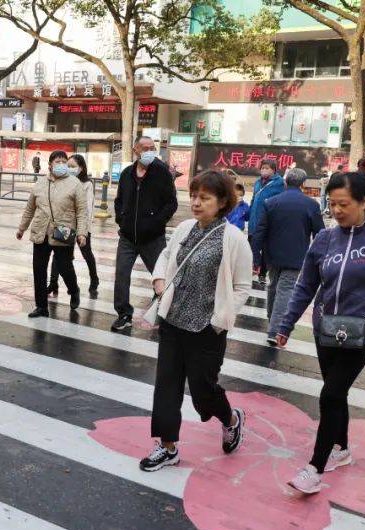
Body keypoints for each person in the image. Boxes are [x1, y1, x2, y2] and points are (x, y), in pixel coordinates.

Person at [275, 172, 365, 494]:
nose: (337, 211)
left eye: (345, 204)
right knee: (336, 393)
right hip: (325, 330)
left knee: (330, 395)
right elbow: (306, 286)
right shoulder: (324, 239)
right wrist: (285, 324)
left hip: (362, 334)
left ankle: (315, 467)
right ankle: (343, 448)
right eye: (332, 204)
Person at [139, 170, 253, 471]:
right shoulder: (186, 228)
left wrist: (220, 319)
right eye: (194, 196)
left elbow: (243, 286)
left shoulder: (234, 239)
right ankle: (167, 446)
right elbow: (165, 256)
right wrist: (159, 280)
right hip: (173, 322)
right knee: (166, 386)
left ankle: (231, 419)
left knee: (203, 393)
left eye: (204, 198)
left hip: (206, 329)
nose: (196, 203)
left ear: (223, 202)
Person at [249, 168, 325, 345]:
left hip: (272, 255)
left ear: (285, 182)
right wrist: (319, 258)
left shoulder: (271, 202)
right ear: (303, 184)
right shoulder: (311, 205)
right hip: (296, 255)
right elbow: (320, 234)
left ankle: (272, 320)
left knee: (273, 286)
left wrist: (255, 257)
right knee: (285, 290)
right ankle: (275, 330)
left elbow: (260, 232)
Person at [111, 136, 178, 332]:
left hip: (153, 238)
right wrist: (120, 219)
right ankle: (124, 313)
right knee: (121, 275)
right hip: (127, 237)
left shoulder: (162, 173)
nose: (149, 151)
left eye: (152, 147)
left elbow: (171, 203)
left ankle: (163, 311)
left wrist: (156, 222)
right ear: (135, 150)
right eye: (145, 148)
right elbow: (119, 200)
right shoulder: (127, 174)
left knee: (161, 276)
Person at [17, 150, 91, 316]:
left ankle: (74, 289)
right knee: (39, 269)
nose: (61, 165)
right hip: (41, 232)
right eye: (57, 161)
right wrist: (22, 228)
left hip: (62, 233)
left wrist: (82, 233)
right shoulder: (40, 183)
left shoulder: (75, 183)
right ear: (50, 165)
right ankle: (42, 306)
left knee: (65, 267)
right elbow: (30, 208)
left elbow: (82, 211)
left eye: (64, 162)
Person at [48, 154, 100, 299]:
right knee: (59, 256)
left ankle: (94, 279)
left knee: (86, 254)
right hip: (66, 226)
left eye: (73, 166)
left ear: (81, 168)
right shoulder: (64, 181)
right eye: (68, 166)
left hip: (82, 228)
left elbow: (87, 208)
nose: (69, 169)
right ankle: (53, 283)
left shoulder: (86, 184)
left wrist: (83, 230)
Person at [248, 158, 285, 287]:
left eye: (267, 168)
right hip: (254, 219)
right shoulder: (258, 182)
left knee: (265, 248)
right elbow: (253, 199)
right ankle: (252, 267)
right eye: (262, 168)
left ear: (273, 170)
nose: (264, 170)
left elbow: (280, 202)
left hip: (268, 220)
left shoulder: (279, 183)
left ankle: (262, 274)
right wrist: (250, 211)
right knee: (252, 244)